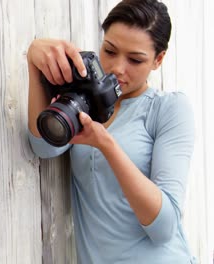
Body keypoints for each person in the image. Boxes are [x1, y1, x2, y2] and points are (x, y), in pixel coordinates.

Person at [27, 0, 196, 263]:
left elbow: (164, 228)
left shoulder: (168, 109)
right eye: (110, 50)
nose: (118, 68)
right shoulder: (86, 98)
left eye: (135, 59)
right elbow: (44, 146)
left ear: (158, 59)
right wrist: (34, 62)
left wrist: (106, 144)